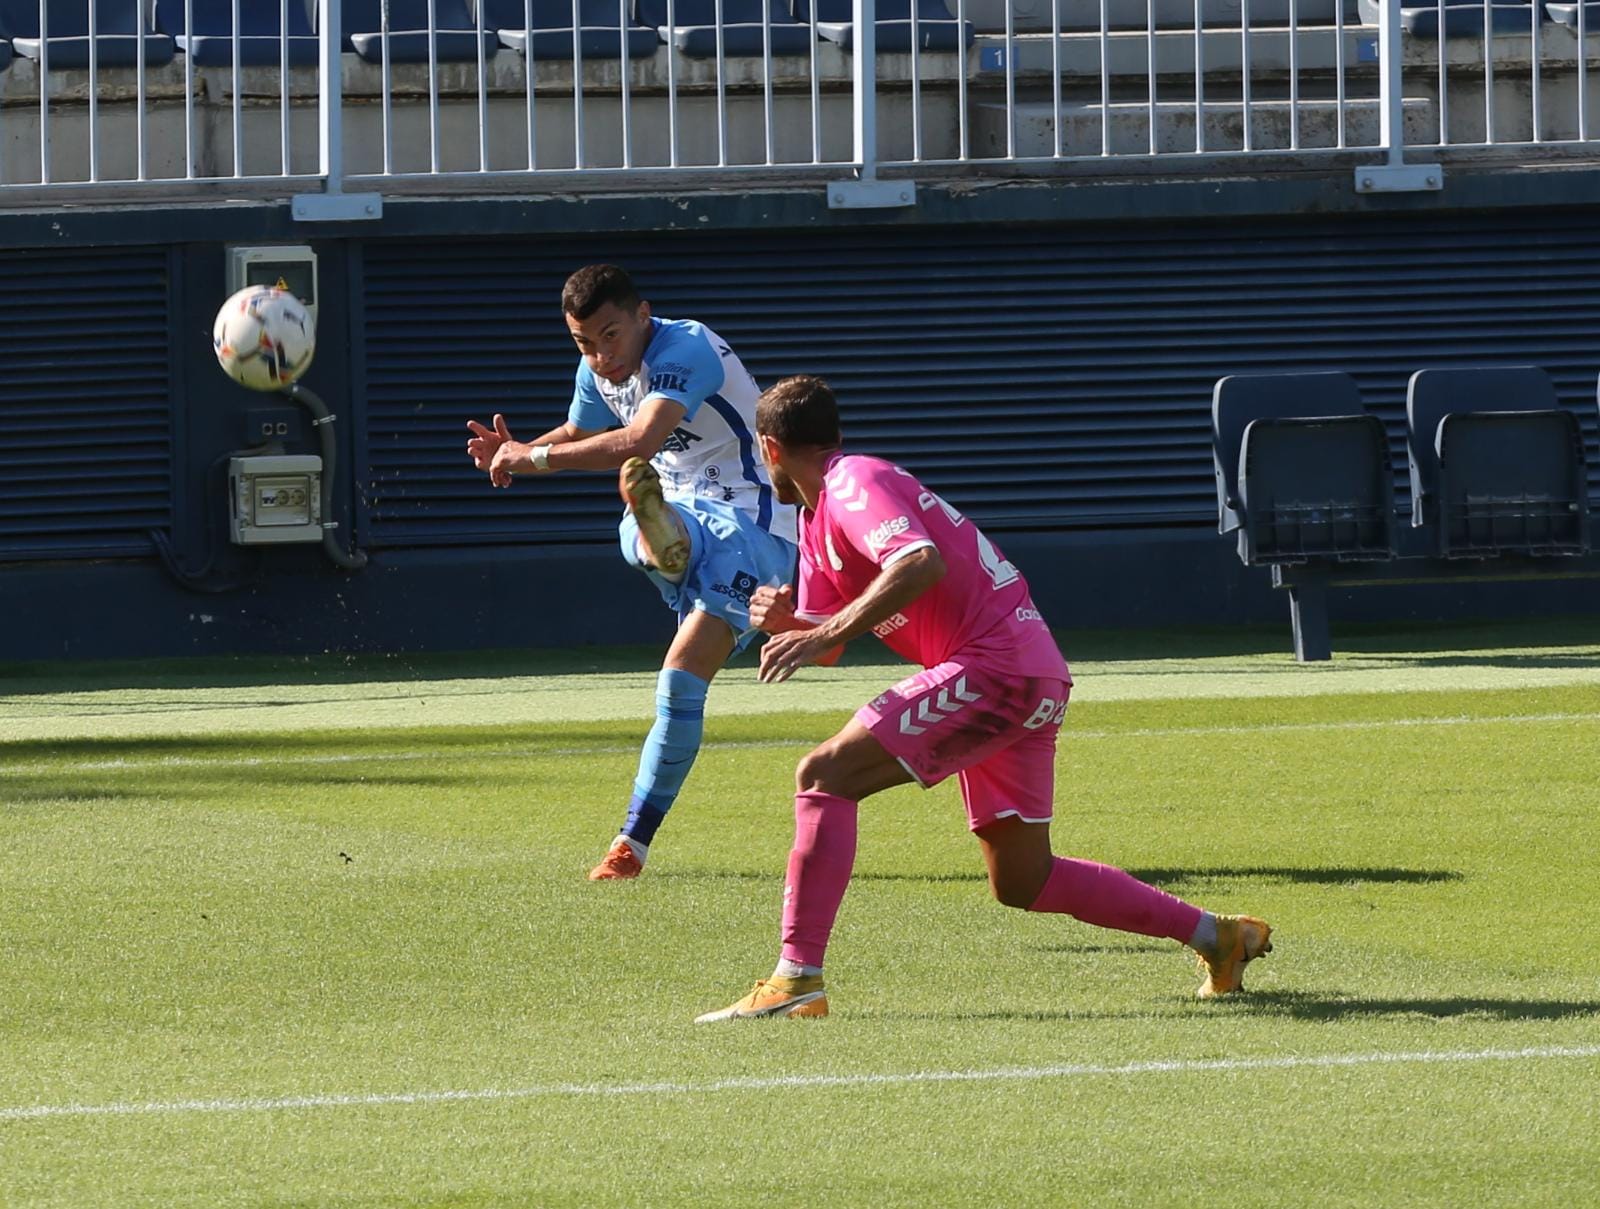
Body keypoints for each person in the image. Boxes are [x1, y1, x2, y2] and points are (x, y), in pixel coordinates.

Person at [696, 375, 1273, 1021]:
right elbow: (828, 641)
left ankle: (796, 979)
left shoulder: (853, 480)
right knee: (1025, 879)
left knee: (825, 774)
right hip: (1023, 674)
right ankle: (1219, 937)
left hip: (993, 668)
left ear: (768, 447)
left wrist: (821, 629)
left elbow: (918, 563)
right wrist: (791, 624)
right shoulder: (816, 515)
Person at [465, 265, 797, 881]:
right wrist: (513, 455)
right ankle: (663, 542)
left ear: (643, 315)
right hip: (681, 510)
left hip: (754, 530)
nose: (600, 355)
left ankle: (630, 845)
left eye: (610, 336)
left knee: (678, 684)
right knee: (642, 517)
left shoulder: (686, 347)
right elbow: (577, 433)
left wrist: (532, 458)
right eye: (583, 342)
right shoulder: (599, 369)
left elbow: (637, 439)